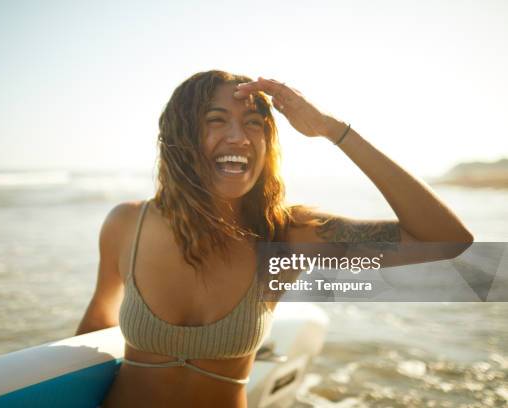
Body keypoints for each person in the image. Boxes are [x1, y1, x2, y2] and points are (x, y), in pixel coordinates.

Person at [76, 70, 473, 407]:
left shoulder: (285, 235)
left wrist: (332, 129)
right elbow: (97, 320)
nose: (239, 137)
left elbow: (445, 240)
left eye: (253, 123)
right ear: (181, 137)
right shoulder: (128, 223)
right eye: (216, 120)